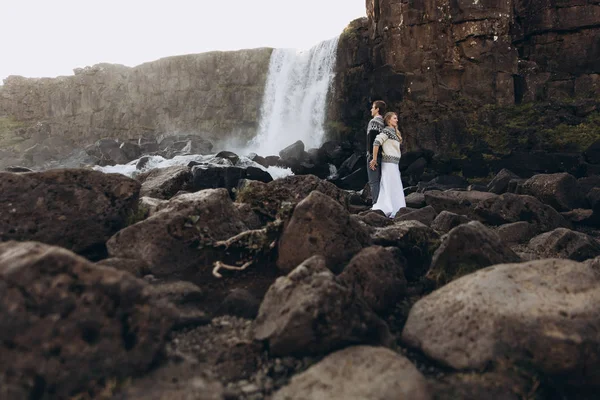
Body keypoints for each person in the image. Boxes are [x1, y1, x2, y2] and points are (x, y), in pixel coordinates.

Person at [369, 111, 406, 218]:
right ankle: (389, 208)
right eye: (395, 118)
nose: (397, 120)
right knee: (389, 185)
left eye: (397, 118)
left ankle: (397, 208)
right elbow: (376, 142)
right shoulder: (387, 131)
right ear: (389, 120)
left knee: (395, 185)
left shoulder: (394, 132)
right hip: (388, 163)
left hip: (394, 163)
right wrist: (374, 159)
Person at [366, 100, 387, 203]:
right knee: (380, 181)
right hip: (382, 155)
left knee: (374, 182)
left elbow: (373, 140)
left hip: (373, 155)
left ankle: (376, 205)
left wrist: (371, 157)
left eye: (373, 107)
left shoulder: (374, 122)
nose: (371, 109)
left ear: (377, 109)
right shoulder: (384, 123)